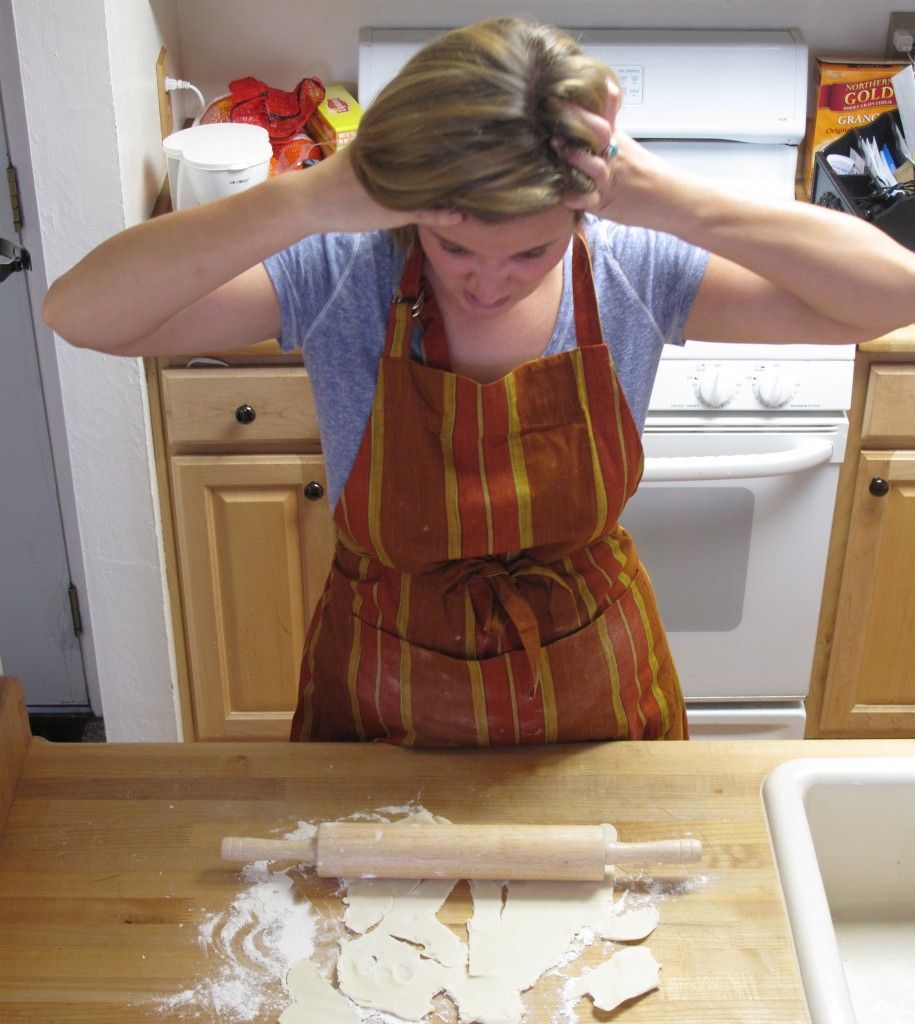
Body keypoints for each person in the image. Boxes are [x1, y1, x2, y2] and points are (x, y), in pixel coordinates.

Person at [43, 18, 915, 747]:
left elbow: (887, 295)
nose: (487, 282)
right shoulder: (342, 268)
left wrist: (672, 200)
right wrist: (305, 198)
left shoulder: (631, 266)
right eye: (453, 246)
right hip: (383, 679)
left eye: (530, 253)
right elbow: (84, 315)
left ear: (581, 215)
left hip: (594, 687)